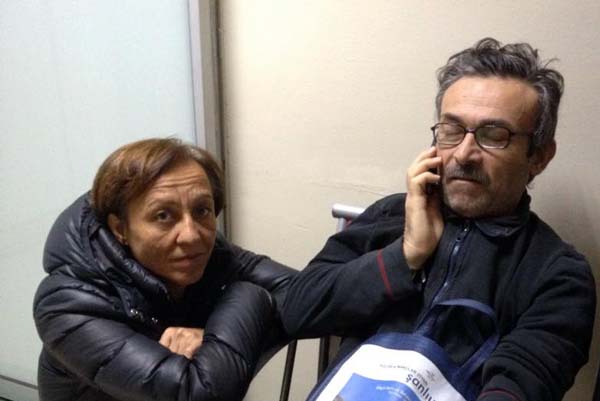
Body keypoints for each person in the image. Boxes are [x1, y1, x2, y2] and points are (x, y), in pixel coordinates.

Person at [282, 38, 596, 401]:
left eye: (494, 136)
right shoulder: (391, 216)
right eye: (452, 130)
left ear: (538, 156)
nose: (463, 154)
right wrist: (406, 255)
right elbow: (296, 309)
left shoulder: (558, 275)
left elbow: (521, 383)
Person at [34, 138, 296, 401]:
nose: (191, 235)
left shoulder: (209, 253)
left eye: (202, 210)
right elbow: (198, 393)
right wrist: (244, 303)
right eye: (163, 216)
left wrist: (215, 339)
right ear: (120, 229)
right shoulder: (66, 305)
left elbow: (303, 293)